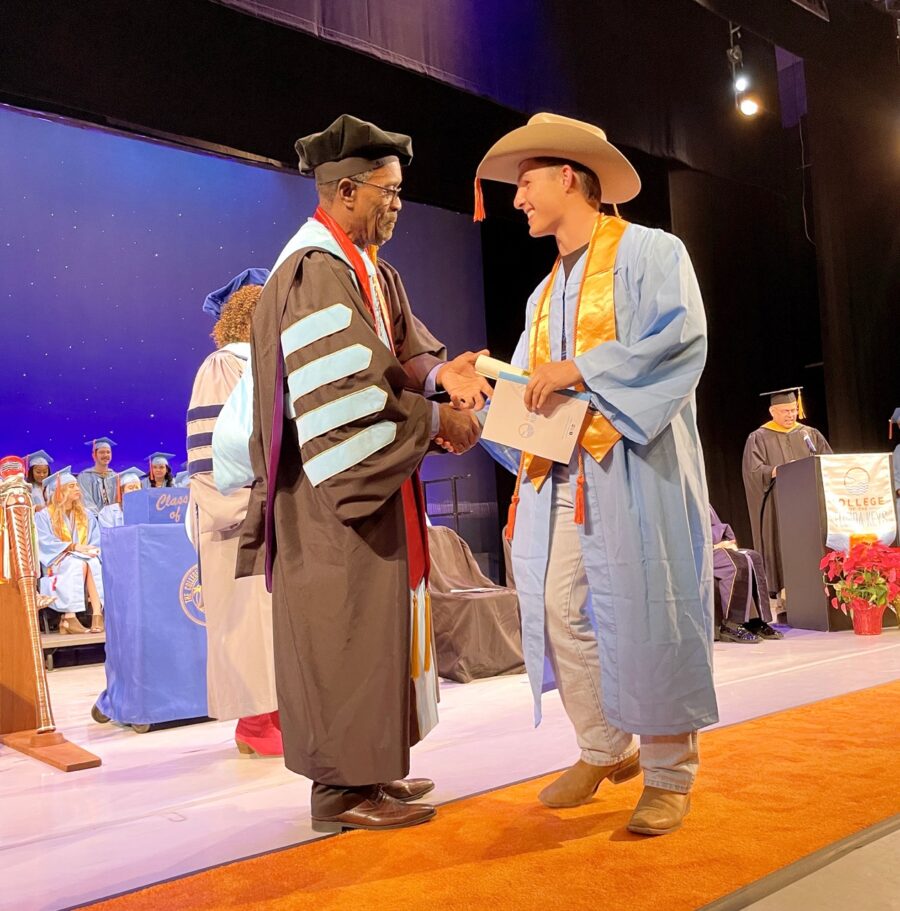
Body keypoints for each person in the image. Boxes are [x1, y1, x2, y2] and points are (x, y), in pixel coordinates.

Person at [236, 114, 488, 833]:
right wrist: (439, 422)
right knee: (341, 629)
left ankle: (371, 769)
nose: (399, 203)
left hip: (366, 496)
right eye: (389, 190)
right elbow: (345, 401)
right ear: (345, 190)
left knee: (373, 628)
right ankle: (339, 793)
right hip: (328, 500)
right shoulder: (314, 270)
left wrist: (446, 373)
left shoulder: (368, 267)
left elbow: (404, 351)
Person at [474, 113, 717, 836]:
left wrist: (581, 368)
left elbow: (681, 342)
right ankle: (604, 745)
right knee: (558, 604)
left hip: (637, 471)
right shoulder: (541, 294)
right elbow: (529, 384)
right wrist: (479, 386)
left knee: (652, 609)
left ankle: (670, 771)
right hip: (565, 478)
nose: (517, 199)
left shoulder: (651, 253)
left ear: (568, 177)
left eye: (525, 182)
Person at [186, 268, 283, 757]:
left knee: (275, 618)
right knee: (246, 619)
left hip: (274, 509)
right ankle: (254, 723)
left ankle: (279, 713)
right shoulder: (225, 366)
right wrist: (248, 503)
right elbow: (208, 451)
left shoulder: (273, 364)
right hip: (241, 513)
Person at [742, 387, 832, 606]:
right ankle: (785, 591)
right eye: (785, 411)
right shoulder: (759, 437)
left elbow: (828, 462)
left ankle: (820, 587)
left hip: (810, 502)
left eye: (793, 410)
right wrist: (781, 470)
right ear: (773, 411)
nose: (790, 415)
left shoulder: (809, 434)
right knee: (783, 543)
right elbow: (754, 470)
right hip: (779, 503)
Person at [35, 466, 104, 634]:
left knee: (92, 561)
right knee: (76, 564)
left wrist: (92, 550)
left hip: (82, 558)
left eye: (76, 485)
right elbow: (44, 543)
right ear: (58, 491)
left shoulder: (85, 514)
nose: (77, 489)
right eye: (71, 486)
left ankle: (97, 614)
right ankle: (69, 617)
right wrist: (74, 547)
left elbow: (96, 540)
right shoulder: (43, 516)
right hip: (56, 562)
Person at [710, 506, 783, 643]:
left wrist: (727, 542)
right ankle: (732, 624)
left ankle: (754, 621)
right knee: (734, 563)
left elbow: (718, 527)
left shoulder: (701, 500)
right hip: (701, 550)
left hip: (716, 547)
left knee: (753, 557)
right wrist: (714, 546)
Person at [77, 437, 118, 514]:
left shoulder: (115, 476)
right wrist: (101, 518)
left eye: (108, 452)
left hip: (114, 520)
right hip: (93, 519)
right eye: (101, 452)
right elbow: (86, 501)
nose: (105, 455)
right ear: (94, 455)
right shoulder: (84, 476)